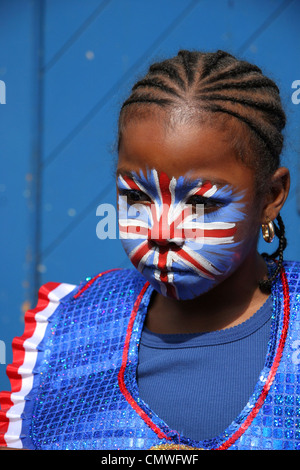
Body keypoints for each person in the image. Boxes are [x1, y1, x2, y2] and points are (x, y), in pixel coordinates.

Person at [0, 49, 299, 451]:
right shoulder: (68, 333)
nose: (161, 231)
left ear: (271, 195)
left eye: (200, 204)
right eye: (137, 198)